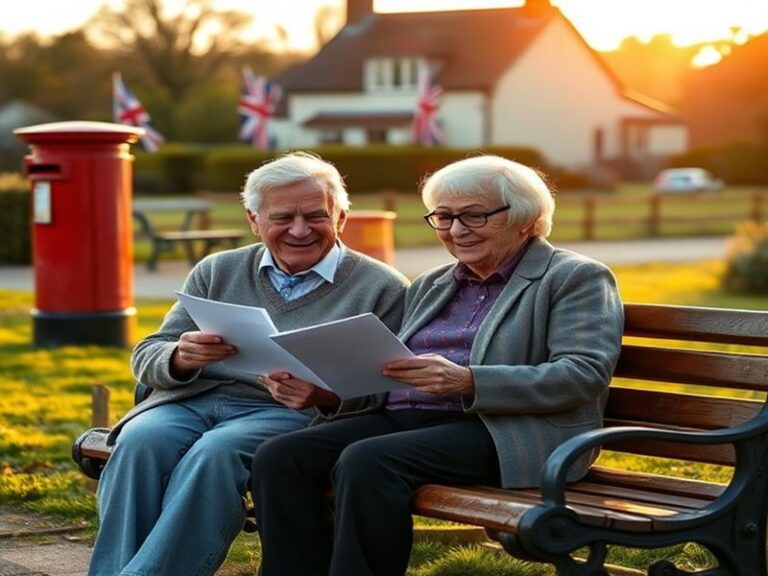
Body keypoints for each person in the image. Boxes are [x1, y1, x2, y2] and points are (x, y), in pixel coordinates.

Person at [251, 155, 625, 576]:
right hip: (409, 419)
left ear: (525, 218)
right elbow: (389, 372)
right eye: (444, 217)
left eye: (475, 216)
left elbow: (583, 374)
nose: (457, 230)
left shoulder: (574, 277)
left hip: (504, 429)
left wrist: (468, 381)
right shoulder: (434, 282)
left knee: (369, 460)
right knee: (281, 456)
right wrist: (326, 394)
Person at [87, 152, 409, 576]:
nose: (299, 230)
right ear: (254, 220)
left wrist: (325, 396)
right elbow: (148, 354)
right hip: (190, 401)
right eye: (283, 217)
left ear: (341, 217)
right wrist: (180, 357)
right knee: (139, 442)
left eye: (316, 216)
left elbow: (390, 390)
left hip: (285, 415)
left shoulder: (382, 287)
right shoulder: (218, 270)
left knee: (215, 455)